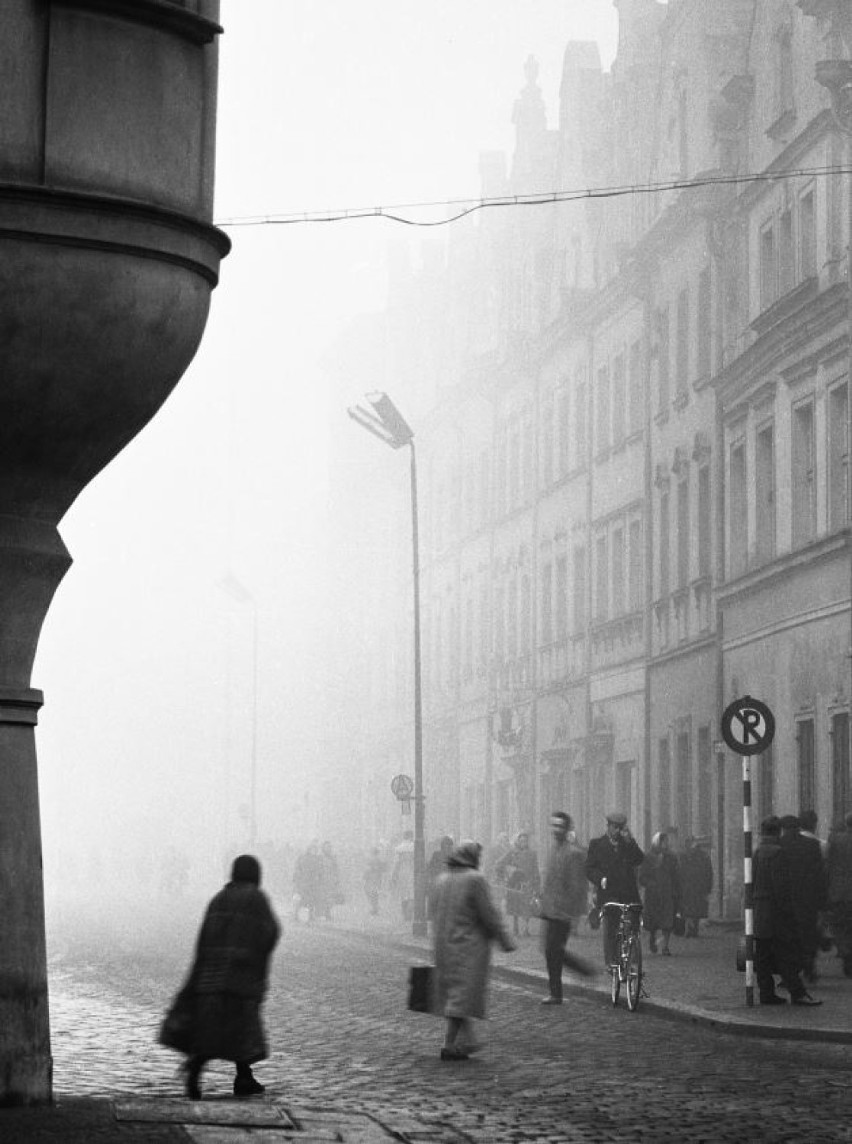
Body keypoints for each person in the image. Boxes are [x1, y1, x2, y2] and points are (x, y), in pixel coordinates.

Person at [160, 854, 281, 1099]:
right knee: (241, 1029)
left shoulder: (218, 899)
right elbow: (271, 931)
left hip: (212, 977)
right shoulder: (256, 898)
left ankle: (205, 1068)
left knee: (213, 1030)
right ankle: (241, 1077)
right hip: (240, 977)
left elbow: (204, 939)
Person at [432, 840, 516, 1061]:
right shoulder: (475, 880)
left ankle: (464, 1041)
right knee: (461, 998)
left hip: (444, 945)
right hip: (468, 946)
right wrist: (505, 939)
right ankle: (450, 1045)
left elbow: (434, 910)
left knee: (457, 997)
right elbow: (488, 913)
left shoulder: (442, 879)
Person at [753, 817, 821, 1006]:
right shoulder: (778, 854)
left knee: (763, 956)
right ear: (777, 833)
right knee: (786, 954)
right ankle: (797, 993)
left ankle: (766, 993)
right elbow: (781, 887)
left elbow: (751, 883)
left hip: (759, 912)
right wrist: (788, 912)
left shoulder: (757, 853)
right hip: (776, 913)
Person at [538, 812, 595, 1005]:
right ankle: (565, 985)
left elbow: (577, 886)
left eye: (560, 826)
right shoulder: (553, 849)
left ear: (567, 829)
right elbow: (549, 878)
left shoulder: (574, 854)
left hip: (562, 912)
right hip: (550, 909)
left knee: (552, 950)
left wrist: (570, 912)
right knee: (550, 950)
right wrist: (541, 897)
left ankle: (559, 991)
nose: (556, 830)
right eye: (553, 826)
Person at [585, 811, 644, 968]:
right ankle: (611, 961)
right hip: (609, 893)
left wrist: (630, 841)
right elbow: (589, 868)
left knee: (632, 924)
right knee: (611, 927)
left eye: (621, 828)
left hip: (628, 892)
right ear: (608, 826)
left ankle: (629, 954)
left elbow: (639, 859)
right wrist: (600, 879)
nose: (618, 831)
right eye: (615, 827)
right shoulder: (597, 844)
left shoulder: (627, 844)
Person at [779, 814, 827, 982]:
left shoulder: (780, 846)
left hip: (786, 900)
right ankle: (809, 965)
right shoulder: (812, 845)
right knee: (808, 934)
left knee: (788, 937)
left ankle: (790, 973)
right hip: (808, 899)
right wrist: (821, 900)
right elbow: (819, 874)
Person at [639, 831, 682, 956]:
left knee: (667, 922)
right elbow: (642, 877)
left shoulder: (672, 858)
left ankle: (665, 946)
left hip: (668, 894)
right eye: (662, 841)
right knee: (653, 922)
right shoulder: (648, 857)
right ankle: (652, 937)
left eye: (666, 841)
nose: (665, 844)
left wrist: (677, 891)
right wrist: (651, 884)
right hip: (653, 895)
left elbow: (676, 876)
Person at [495, 830, 541, 937]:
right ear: (518, 841)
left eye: (525, 841)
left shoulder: (532, 854)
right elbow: (499, 864)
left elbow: (535, 869)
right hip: (515, 883)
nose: (523, 843)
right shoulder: (512, 853)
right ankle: (516, 927)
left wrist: (537, 884)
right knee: (515, 906)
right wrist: (509, 871)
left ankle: (526, 929)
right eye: (521, 841)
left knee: (527, 906)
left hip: (527, 883)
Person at [826, 812, 852, 977]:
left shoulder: (835, 840)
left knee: (840, 926)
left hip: (838, 892)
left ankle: (846, 953)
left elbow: (828, 863)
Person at [679, 836, 714, 938]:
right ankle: (692, 928)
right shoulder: (685, 856)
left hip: (695, 886)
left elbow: (708, 872)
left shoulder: (700, 856)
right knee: (691, 910)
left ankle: (693, 929)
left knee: (693, 910)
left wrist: (708, 887)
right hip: (691, 886)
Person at [427, 835, 455, 923]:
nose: (447, 847)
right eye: (446, 845)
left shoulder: (454, 855)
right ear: (442, 845)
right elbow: (431, 867)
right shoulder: (436, 854)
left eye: (449, 845)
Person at [390, 831, 415, 921]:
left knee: (403, 894)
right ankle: (409, 913)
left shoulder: (398, 848)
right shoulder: (414, 847)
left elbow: (396, 863)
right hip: (413, 872)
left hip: (402, 873)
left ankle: (405, 913)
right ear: (411, 836)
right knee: (412, 894)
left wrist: (393, 875)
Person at [363, 847, 386, 916]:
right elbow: (382, 869)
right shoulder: (379, 860)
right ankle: (375, 908)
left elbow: (368, 869)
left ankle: (374, 908)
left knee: (370, 892)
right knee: (375, 893)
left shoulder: (371, 860)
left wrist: (365, 876)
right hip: (377, 878)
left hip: (371, 878)